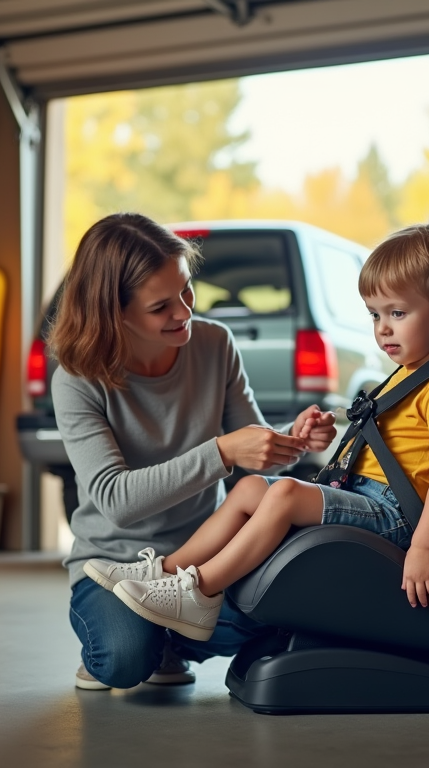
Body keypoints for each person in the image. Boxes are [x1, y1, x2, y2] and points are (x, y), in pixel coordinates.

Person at [92, 221, 429, 642]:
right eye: (375, 314)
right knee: (250, 489)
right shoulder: (408, 375)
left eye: (397, 313)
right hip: (366, 495)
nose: (382, 328)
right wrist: (303, 437)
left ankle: (200, 593)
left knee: (283, 493)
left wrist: (424, 547)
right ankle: (165, 571)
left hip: (396, 516)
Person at [49, 213, 337, 690]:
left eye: (186, 290)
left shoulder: (214, 343)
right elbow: (117, 501)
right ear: (115, 313)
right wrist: (222, 452)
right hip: (116, 569)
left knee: (289, 610)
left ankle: (173, 639)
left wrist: (295, 439)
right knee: (123, 662)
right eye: (161, 306)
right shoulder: (77, 380)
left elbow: (251, 441)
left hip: (203, 563)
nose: (184, 312)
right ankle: (141, 640)